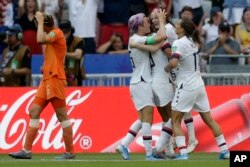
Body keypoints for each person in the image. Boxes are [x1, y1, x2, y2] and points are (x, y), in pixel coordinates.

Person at [8, 12, 75, 160]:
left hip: (55, 79)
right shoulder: (52, 35)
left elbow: (39, 40)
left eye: (39, 25)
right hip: (47, 79)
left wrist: (39, 21)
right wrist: (46, 65)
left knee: (61, 115)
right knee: (34, 111)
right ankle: (26, 150)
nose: (38, 28)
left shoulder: (56, 33)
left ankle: (70, 152)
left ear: (45, 25)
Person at [165, 18, 230, 160]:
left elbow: (174, 61)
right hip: (199, 85)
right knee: (209, 120)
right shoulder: (192, 42)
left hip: (186, 85)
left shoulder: (178, 43)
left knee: (175, 120)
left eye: (177, 25)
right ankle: (225, 150)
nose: (175, 26)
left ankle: (182, 153)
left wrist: (167, 67)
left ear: (182, 29)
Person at [116, 9, 167, 160]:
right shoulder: (137, 39)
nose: (148, 22)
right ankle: (149, 154)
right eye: (146, 21)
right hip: (141, 82)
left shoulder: (136, 40)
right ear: (139, 26)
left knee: (142, 118)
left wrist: (158, 43)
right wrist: (162, 22)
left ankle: (124, 144)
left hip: (141, 82)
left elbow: (153, 47)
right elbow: (161, 37)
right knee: (147, 119)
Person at [59, 20, 86, 86]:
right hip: (60, 75)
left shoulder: (78, 41)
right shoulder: (56, 41)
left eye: (67, 31)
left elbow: (78, 55)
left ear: (71, 30)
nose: (65, 34)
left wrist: (63, 54)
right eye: (63, 32)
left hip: (75, 74)